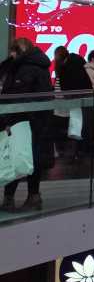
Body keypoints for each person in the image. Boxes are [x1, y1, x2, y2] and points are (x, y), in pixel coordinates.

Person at [0, 37, 53, 212]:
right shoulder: (40, 66)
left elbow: (17, 96)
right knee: (30, 157)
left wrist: (7, 121)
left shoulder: (23, 69)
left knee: (16, 156)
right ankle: (33, 196)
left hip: (23, 120)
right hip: (37, 120)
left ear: (18, 51)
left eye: (13, 51)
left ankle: (10, 198)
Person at [54, 45, 94, 160]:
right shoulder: (78, 61)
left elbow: (64, 89)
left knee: (75, 127)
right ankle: (79, 152)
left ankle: (73, 153)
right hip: (84, 101)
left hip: (73, 102)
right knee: (81, 127)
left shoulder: (64, 69)